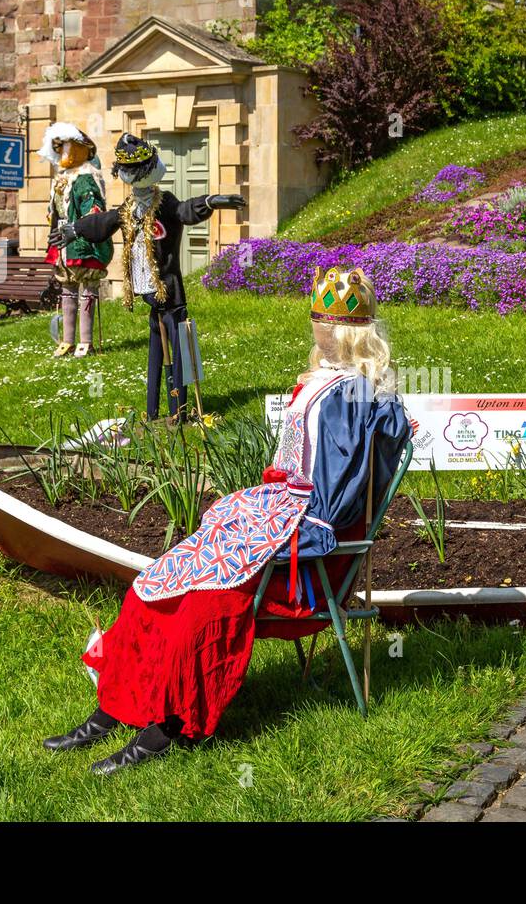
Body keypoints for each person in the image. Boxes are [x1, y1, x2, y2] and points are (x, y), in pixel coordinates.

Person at [42, 268, 412, 775]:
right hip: (284, 526)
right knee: (156, 582)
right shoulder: (329, 385)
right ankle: (113, 709)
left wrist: (268, 525)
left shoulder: (352, 400)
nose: (316, 333)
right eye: (316, 323)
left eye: (324, 326)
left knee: (203, 605)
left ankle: (167, 726)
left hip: (307, 566)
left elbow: (334, 505)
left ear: (345, 333)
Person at [50, 133, 246, 419]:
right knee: (155, 355)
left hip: (169, 293)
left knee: (179, 356)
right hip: (148, 293)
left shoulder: (164, 203)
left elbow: (184, 210)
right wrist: (75, 229)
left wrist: (211, 201)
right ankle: (153, 413)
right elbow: (104, 222)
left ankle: (177, 411)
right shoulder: (129, 208)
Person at [38, 122, 113, 358]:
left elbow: (93, 208)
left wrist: (83, 226)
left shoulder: (86, 178)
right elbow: (58, 209)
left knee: (87, 288)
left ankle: (86, 341)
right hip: (63, 242)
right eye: (61, 149)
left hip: (83, 242)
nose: (64, 154)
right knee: (68, 289)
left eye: (68, 148)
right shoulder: (62, 178)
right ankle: (67, 340)